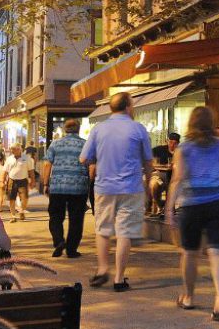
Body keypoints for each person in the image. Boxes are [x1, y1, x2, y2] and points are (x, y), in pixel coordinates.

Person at [164, 106, 219, 324]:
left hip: (191, 204)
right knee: (217, 253)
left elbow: (178, 179)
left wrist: (169, 209)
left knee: (189, 252)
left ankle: (188, 297)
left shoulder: (184, 148)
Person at [80, 91, 153, 292]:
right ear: (128, 106)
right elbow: (148, 161)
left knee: (103, 230)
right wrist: (147, 186)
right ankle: (119, 279)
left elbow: (83, 158)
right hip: (131, 188)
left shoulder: (98, 129)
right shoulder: (138, 129)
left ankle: (103, 269)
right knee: (125, 233)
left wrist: (100, 158)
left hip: (104, 187)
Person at [43, 119, 88, 258]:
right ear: (78, 129)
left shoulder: (56, 143)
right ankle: (71, 250)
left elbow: (47, 164)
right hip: (78, 186)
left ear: (64, 129)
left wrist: (46, 183)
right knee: (76, 219)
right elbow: (90, 165)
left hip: (58, 186)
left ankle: (59, 241)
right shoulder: (84, 144)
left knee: (55, 216)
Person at [148, 132, 181, 216]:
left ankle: (169, 207)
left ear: (178, 143)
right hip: (160, 175)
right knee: (153, 184)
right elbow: (148, 156)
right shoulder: (160, 150)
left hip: (174, 176)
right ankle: (161, 206)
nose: (172, 145)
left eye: (175, 143)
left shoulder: (180, 152)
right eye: (170, 142)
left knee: (172, 184)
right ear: (167, 141)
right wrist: (154, 164)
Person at [3, 144, 32, 220]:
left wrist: (33, 180)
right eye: (11, 149)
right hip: (11, 180)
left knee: (24, 198)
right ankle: (13, 215)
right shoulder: (9, 159)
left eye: (14, 149)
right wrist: (3, 180)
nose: (12, 151)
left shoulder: (26, 158)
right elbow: (5, 171)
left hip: (23, 180)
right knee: (11, 198)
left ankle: (22, 211)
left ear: (19, 149)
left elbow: (31, 170)